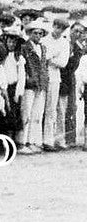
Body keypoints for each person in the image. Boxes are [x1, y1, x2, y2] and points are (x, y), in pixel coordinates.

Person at [18, 17, 49, 154]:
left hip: (41, 84)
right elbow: (23, 67)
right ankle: (22, 142)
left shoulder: (43, 47)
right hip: (30, 84)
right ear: (30, 33)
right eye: (35, 33)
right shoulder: (24, 47)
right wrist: (28, 79)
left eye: (40, 33)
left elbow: (44, 66)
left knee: (37, 114)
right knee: (27, 113)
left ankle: (33, 141)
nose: (37, 35)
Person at [42, 13, 71, 150]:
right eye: (57, 27)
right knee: (40, 107)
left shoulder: (64, 43)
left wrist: (50, 58)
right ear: (53, 26)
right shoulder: (44, 40)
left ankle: (49, 140)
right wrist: (52, 56)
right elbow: (42, 58)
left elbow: (63, 63)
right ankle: (38, 139)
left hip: (54, 77)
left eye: (61, 28)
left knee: (51, 109)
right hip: (42, 75)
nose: (58, 30)